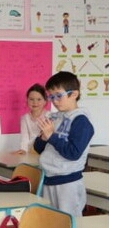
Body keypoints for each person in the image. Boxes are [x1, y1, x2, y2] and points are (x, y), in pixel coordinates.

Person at [34, 71, 94, 217]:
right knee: (49, 223)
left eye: (59, 96)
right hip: (48, 179)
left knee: (68, 226)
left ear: (74, 94)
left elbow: (73, 153)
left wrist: (52, 137)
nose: (55, 101)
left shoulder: (81, 122)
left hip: (68, 183)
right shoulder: (55, 117)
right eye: (51, 96)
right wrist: (43, 137)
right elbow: (38, 148)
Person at [14, 83, 50, 154]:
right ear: (27, 100)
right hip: (30, 152)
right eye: (31, 99)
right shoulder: (25, 118)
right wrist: (23, 149)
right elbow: (25, 137)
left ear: (45, 101)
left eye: (39, 99)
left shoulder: (49, 116)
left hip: (45, 152)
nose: (35, 102)